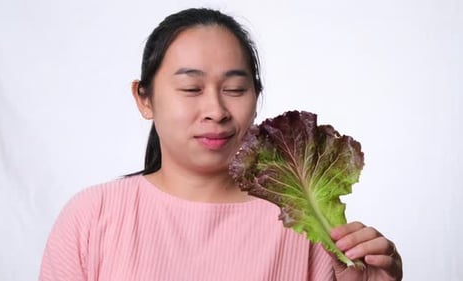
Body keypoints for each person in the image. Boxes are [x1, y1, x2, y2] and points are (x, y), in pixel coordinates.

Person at [39, 8, 403, 281]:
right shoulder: (91, 218)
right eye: (191, 89)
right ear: (144, 98)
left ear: (256, 97)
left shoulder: (304, 226)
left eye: (234, 90)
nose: (215, 110)